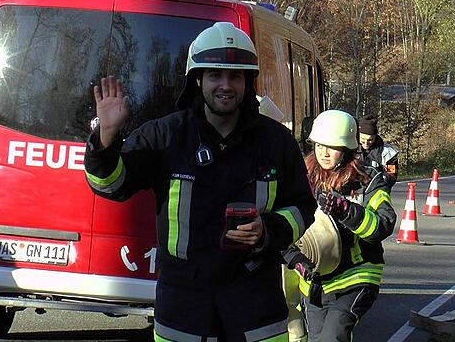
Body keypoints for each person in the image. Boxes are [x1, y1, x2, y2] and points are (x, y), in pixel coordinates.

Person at [83, 22, 316, 341]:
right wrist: (106, 139)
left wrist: (268, 229)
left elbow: (303, 207)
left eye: (236, 76)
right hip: (184, 311)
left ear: (248, 82)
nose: (226, 85)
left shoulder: (277, 142)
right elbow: (110, 185)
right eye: (215, 75)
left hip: (256, 309)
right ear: (197, 80)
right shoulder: (165, 135)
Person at [284, 110, 397, 342]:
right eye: (319, 145)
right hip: (316, 283)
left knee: (332, 337)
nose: (324, 153)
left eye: (332, 147)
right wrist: (294, 258)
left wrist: (346, 210)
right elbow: (283, 227)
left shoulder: (368, 180)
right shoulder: (301, 177)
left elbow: (382, 225)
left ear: (346, 149)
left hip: (355, 278)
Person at [357, 115, 399, 190]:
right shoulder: (351, 149)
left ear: (375, 136)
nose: (366, 143)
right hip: (355, 194)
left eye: (370, 140)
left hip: (378, 192)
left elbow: (392, 174)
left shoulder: (388, 154)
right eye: (362, 139)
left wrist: (380, 181)